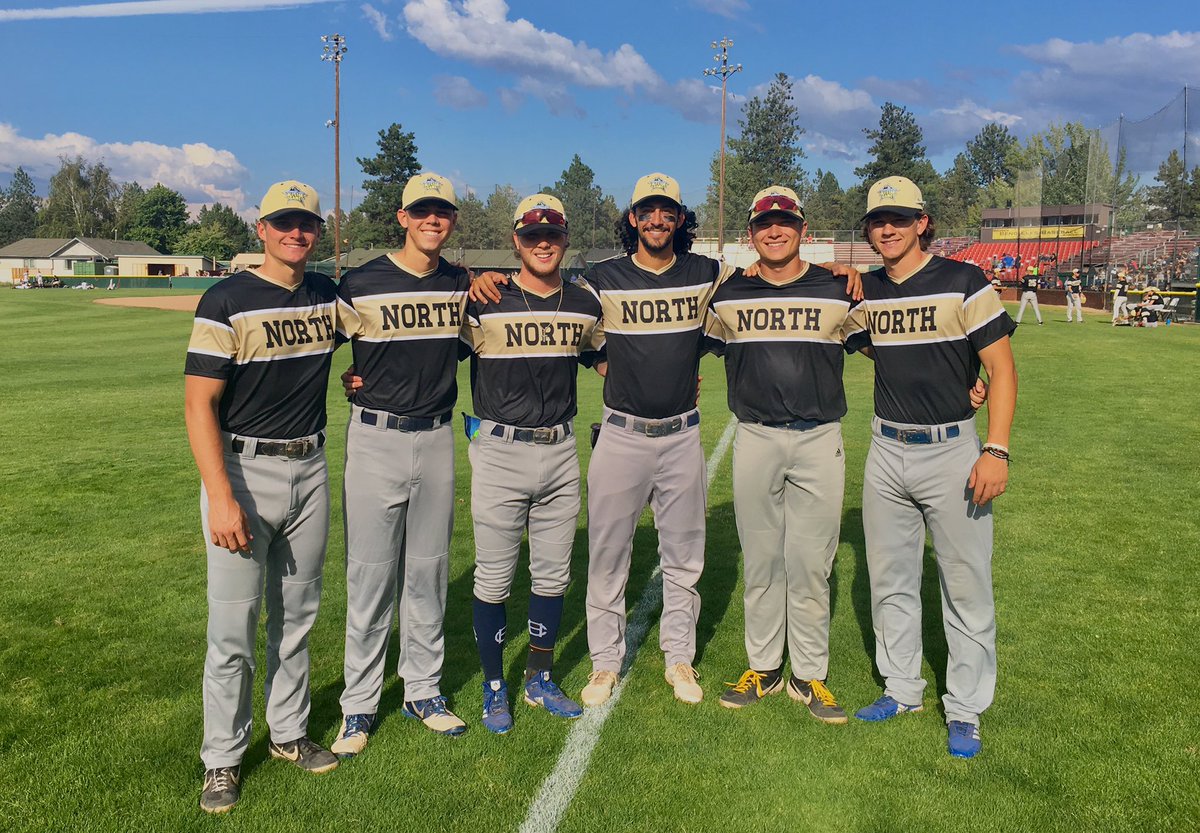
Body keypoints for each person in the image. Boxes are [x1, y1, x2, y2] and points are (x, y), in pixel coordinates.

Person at [184, 181, 344, 813]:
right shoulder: (226, 298)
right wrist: (220, 497)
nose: (295, 233)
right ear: (262, 228)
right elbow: (199, 404)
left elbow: (380, 338)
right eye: (284, 222)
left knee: (297, 618)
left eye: (305, 223)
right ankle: (221, 759)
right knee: (232, 627)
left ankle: (289, 732)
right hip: (243, 472)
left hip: (310, 466)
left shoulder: (328, 294)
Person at [844, 176, 1017, 760]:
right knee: (889, 577)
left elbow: (1002, 369)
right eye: (876, 220)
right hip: (886, 449)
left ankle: (965, 706)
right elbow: (874, 346)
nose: (886, 228)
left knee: (964, 581)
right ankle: (903, 689)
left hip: (953, 450)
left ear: (923, 222)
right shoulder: (863, 290)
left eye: (898, 217)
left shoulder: (963, 281)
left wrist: (995, 449)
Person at [331, 172, 471, 755]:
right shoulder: (360, 283)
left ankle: (424, 689)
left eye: (442, 212)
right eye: (422, 211)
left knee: (428, 570)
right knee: (369, 574)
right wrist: (348, 379)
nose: (432, 220)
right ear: (402, 217)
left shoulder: (464, 285)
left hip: (437, 436)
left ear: (452, 221)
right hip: (375, 438)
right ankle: (359, 704)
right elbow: (312, 351)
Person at [703, 187, 854, 722]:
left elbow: (898, 348)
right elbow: (677, 348)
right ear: (751, 234)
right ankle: (764, 666)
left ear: (802, 230)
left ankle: (809, 675)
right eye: (764, 223)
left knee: (812, 563)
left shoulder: (840, 291)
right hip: (757, 437)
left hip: (818, 437)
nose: (775, 231)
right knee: (763, 559)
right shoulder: (728, 298)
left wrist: (968, 387)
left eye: (784, 222)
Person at [463, 194, 604, 733]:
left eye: (553, 234)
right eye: (530, 235)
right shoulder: (484, 300)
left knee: (552, 575)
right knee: (494, 578)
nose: (542, 243)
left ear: (565, 240)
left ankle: (540, 678)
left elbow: (608, 361)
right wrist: (361, 380)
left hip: (561, 450)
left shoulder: (584, 303)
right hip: (500, 450)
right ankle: (494, 685)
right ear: (515, 241)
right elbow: (426, 352)